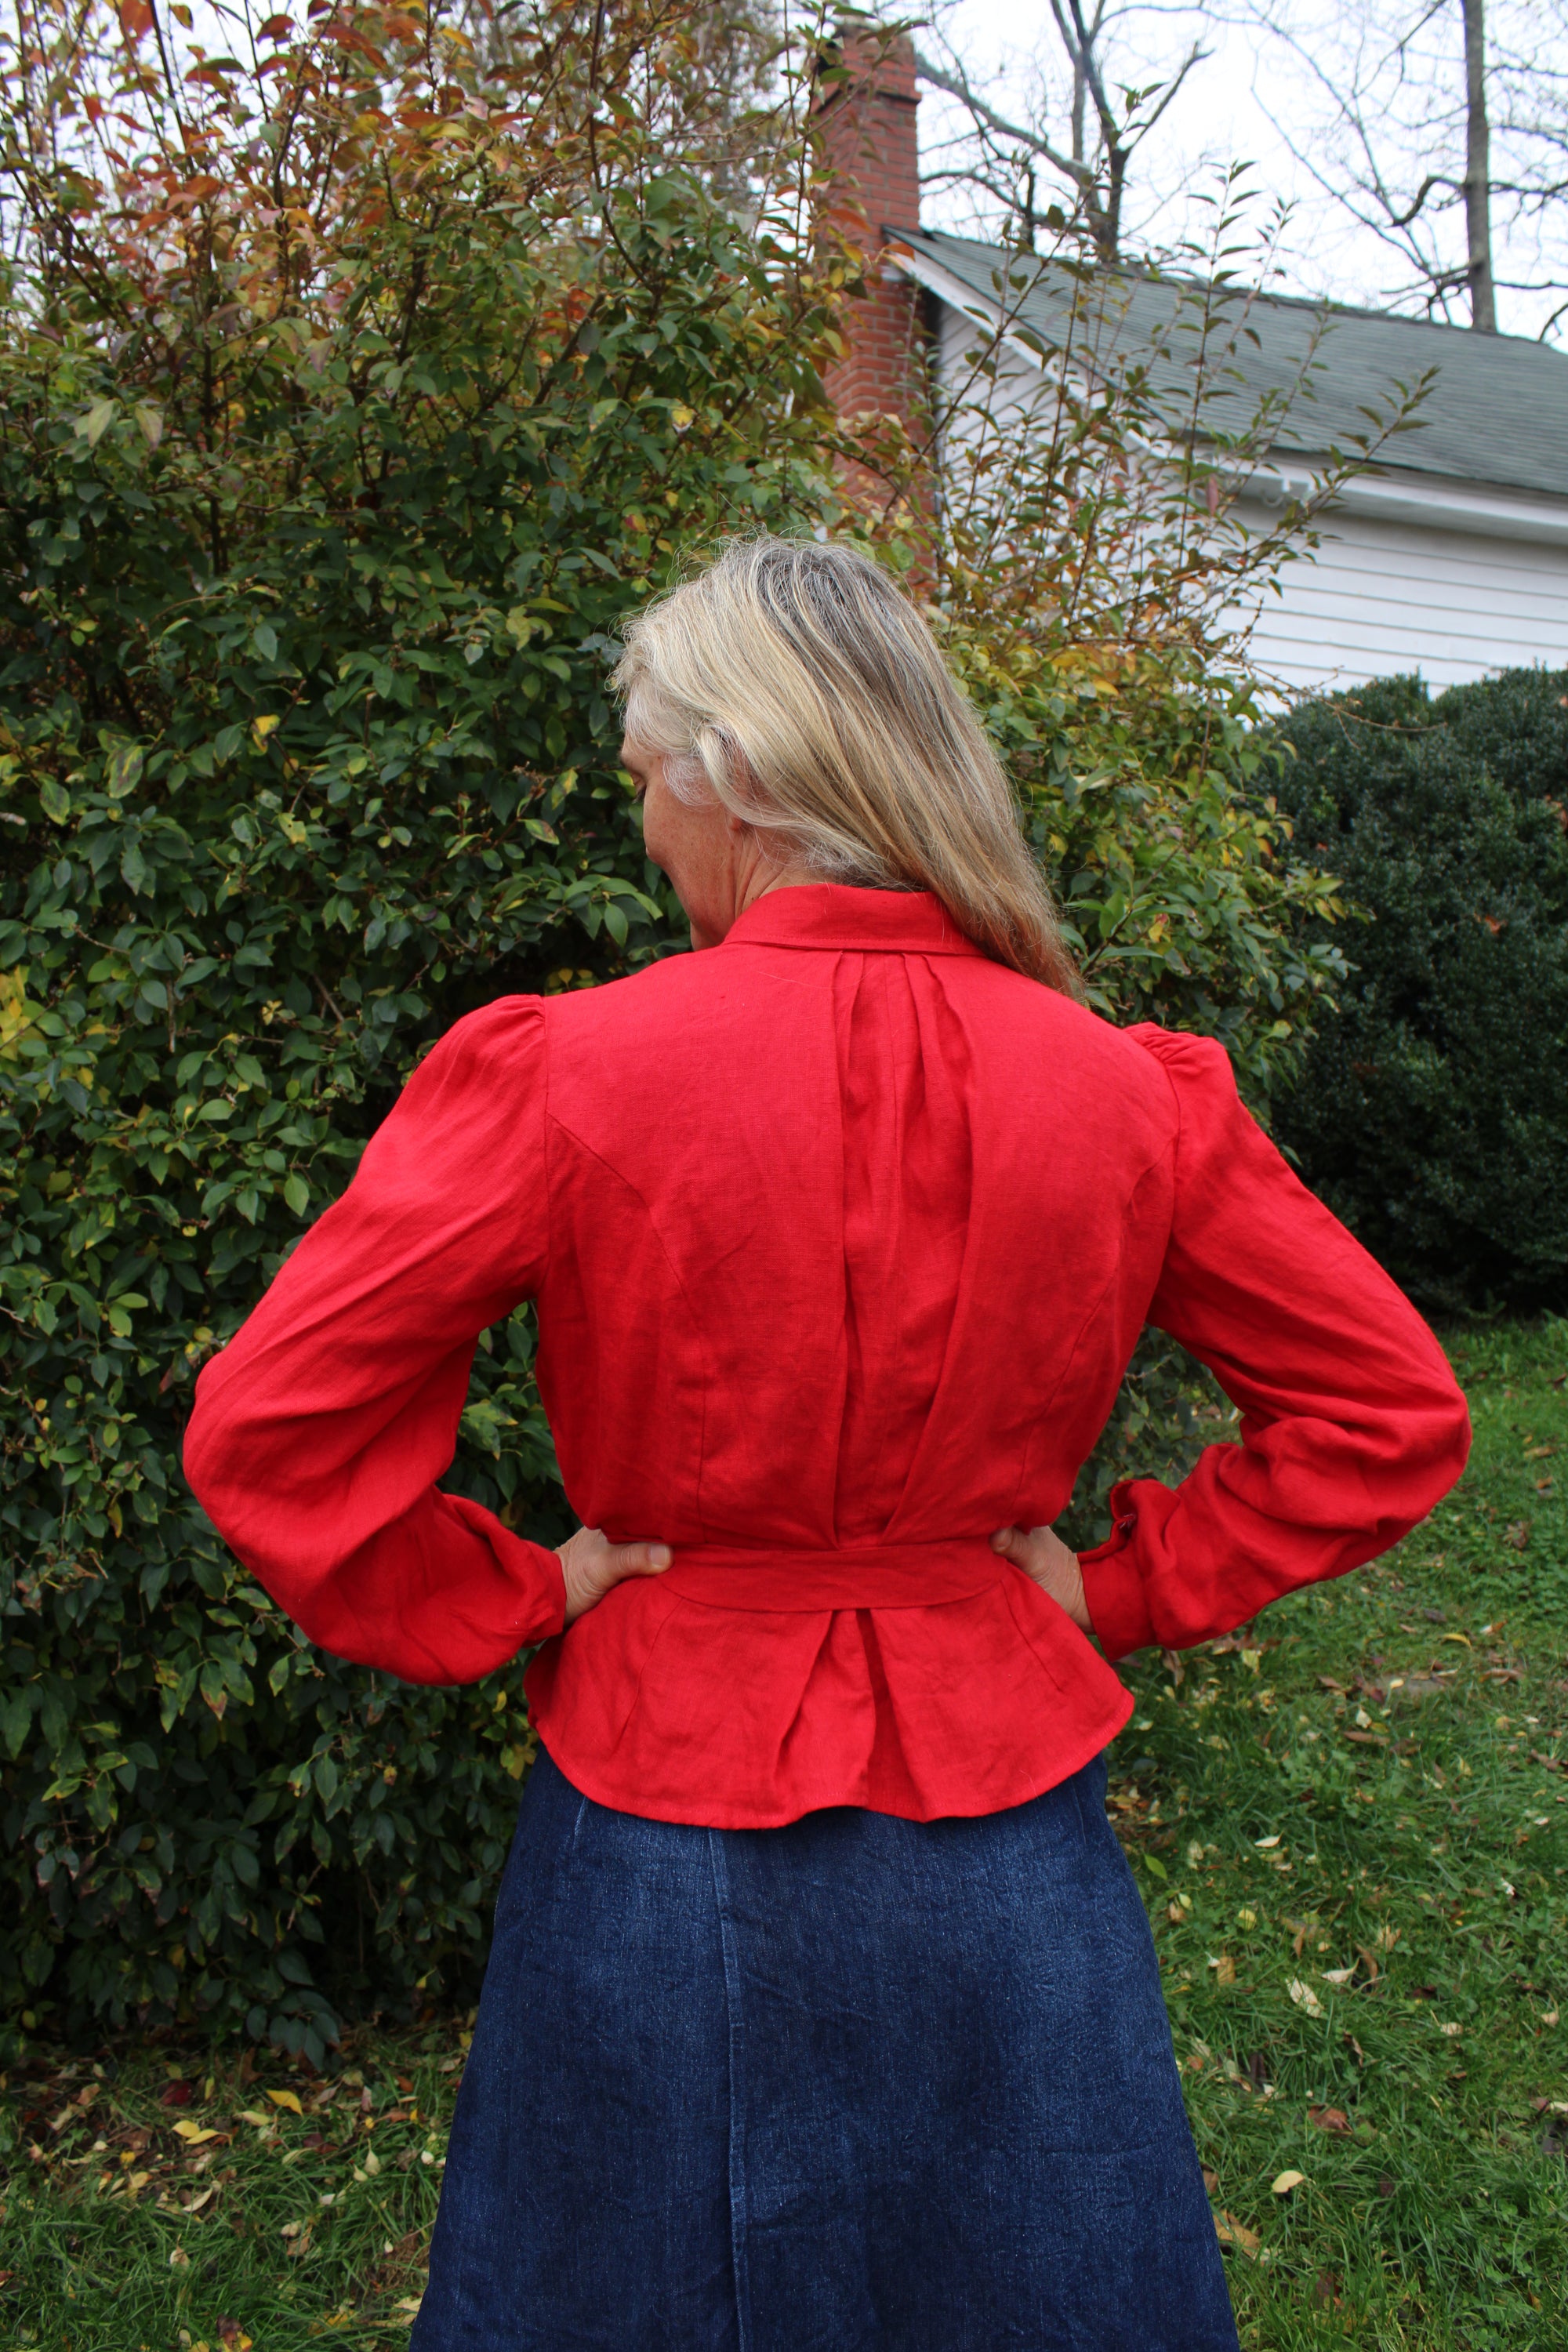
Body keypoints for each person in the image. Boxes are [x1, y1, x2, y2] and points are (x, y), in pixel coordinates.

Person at [183, 536, 1470, 2351]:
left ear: (737, 775)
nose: (644, 836)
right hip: (1006, 1829)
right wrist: (1111, 1590)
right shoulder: (1122, 1088)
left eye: (643, 784)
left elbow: (272, 1430)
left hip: (655, 1814)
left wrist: (521, 1585)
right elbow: (1387, 1412)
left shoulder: (569, 1070)